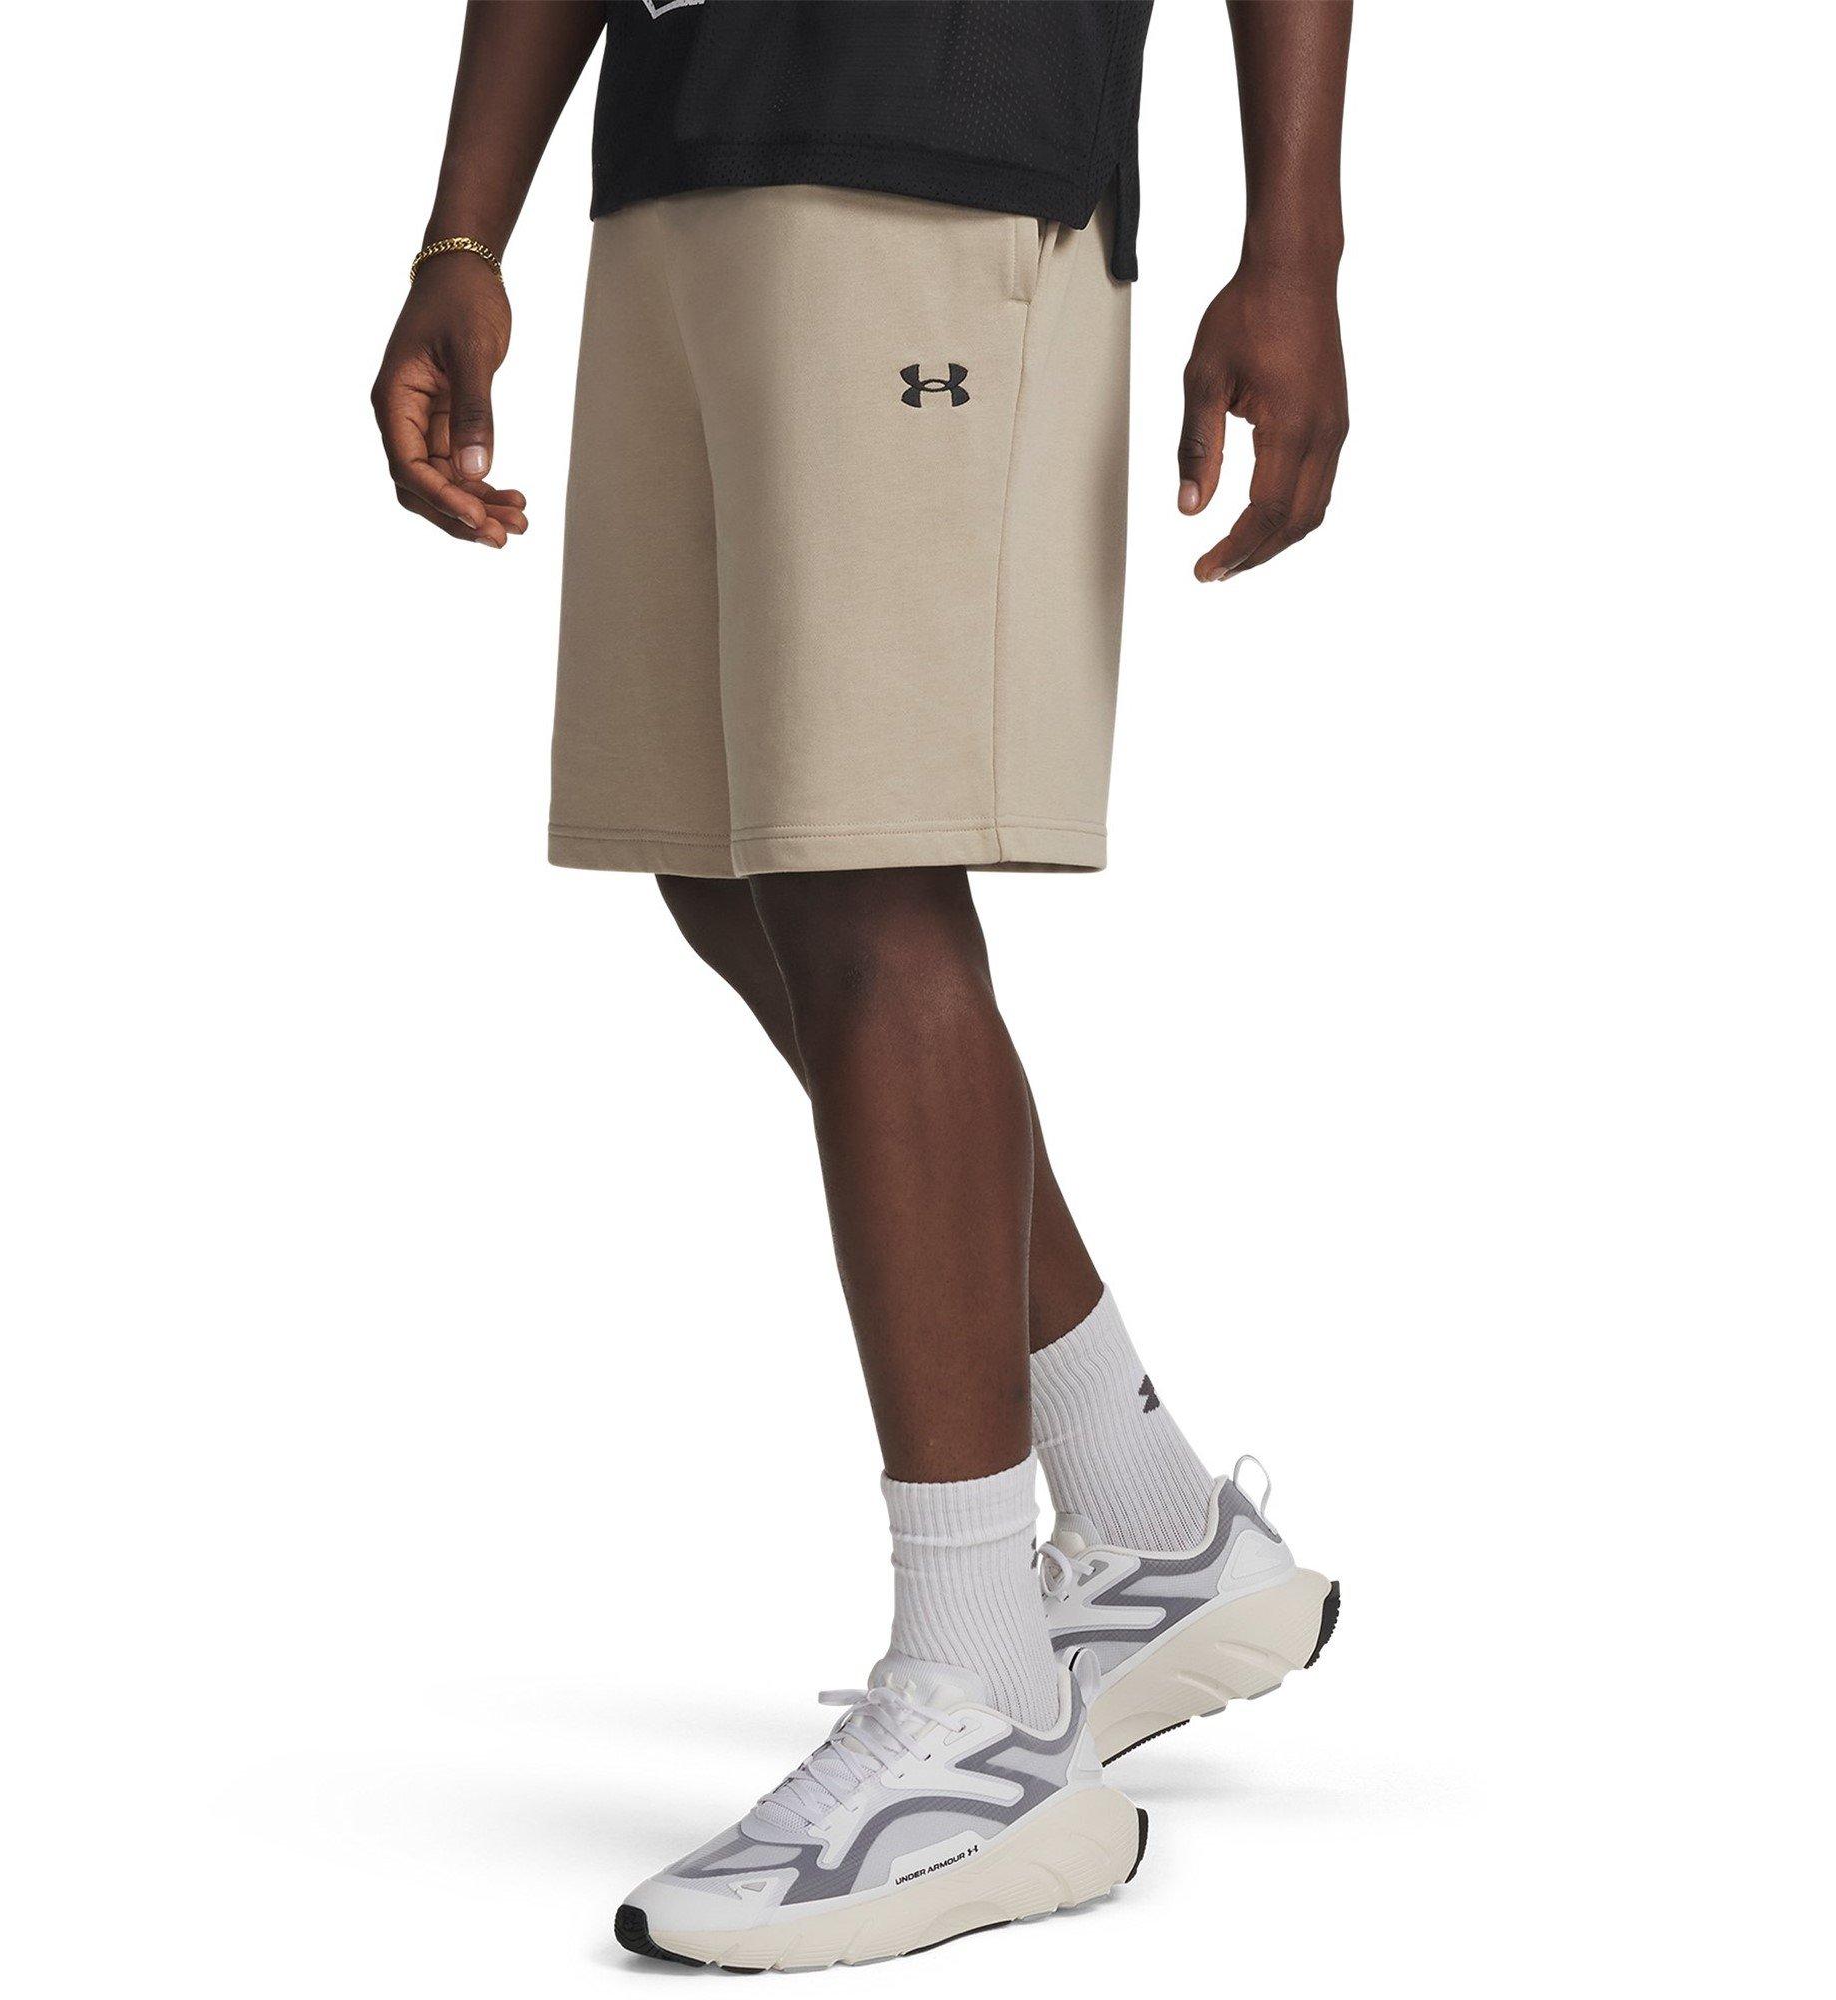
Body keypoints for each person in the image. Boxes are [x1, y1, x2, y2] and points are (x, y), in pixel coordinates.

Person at [373, 0, 1350, 1970]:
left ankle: (985, 1710)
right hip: (683, 161)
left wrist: (1295, 244)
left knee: (859, 867)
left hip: (946, 158)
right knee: (725, 855)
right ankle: (1151, 1525)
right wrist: (464, 233)